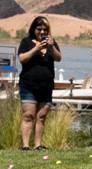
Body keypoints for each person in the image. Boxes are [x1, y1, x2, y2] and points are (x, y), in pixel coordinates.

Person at [18, 16, 62, 151]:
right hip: (28, 85)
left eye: (45, 29)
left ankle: (38, 145)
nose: (42, 32)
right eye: (39, 29)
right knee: (28, 115)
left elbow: (58, 58)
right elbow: (22, 58)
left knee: (41, 116)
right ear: (34, 29)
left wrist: (51, 47)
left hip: (46, 86)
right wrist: (36, 49)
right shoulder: (26, 42)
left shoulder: (51, 42)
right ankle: (25, 145)